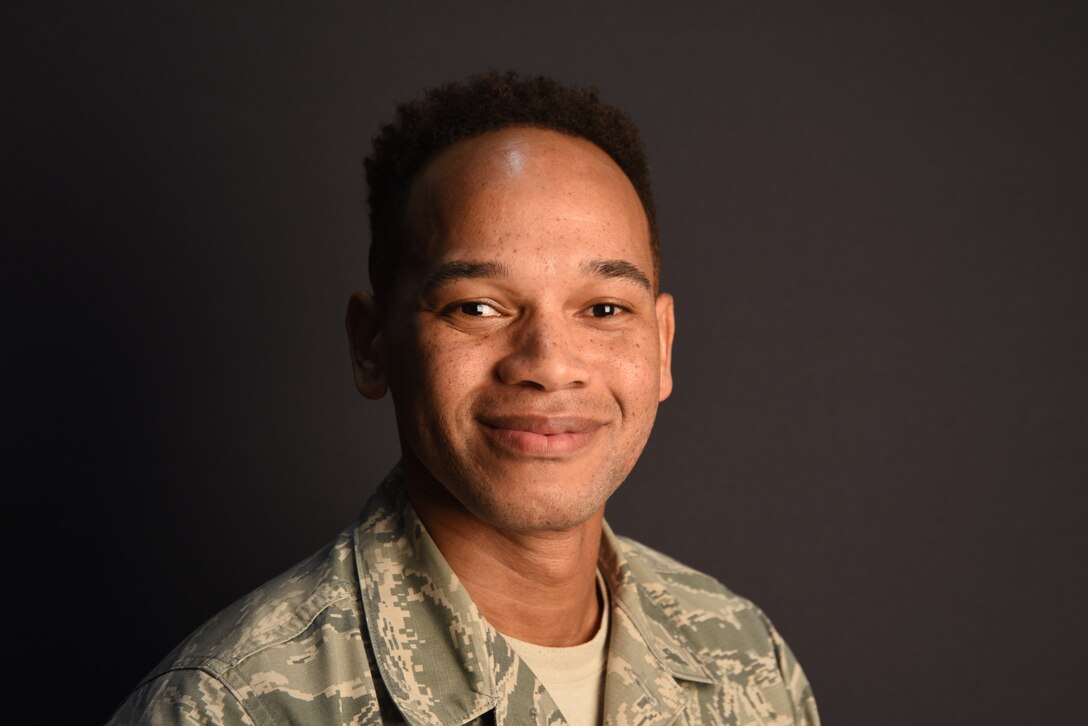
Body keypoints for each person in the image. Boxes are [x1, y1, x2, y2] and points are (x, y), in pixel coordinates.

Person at [109, 72, 820, 726]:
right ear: (372, 345)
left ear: (662, 346)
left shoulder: (745, 660)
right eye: (477, 307)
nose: (548, 365)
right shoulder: (228, 707)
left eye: (604, 309)